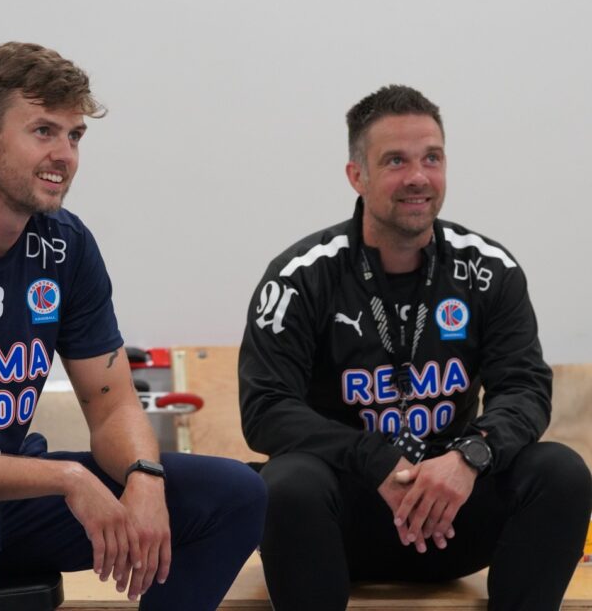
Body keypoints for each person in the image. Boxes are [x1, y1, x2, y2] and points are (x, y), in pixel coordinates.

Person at [0, 41, 266, 611]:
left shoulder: (66, 246)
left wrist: (144, 476)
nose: (65, 155)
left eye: (74, 136)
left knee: (233, 493)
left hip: (6, 496)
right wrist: (67, 479)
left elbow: (112, 405)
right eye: (44, 131)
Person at [239, 85, 592, 611]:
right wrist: (375, 460)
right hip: (342, 521)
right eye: (395, 161)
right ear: (356, 175)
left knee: (561, 472)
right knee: (285, 483)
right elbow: (266, 408)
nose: (418, 177)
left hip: (453, 511)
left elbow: (524, 389)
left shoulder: (489, 269)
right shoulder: (301, 276)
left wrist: (469, 456)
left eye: (432, 158)